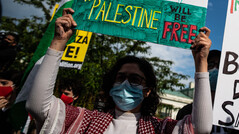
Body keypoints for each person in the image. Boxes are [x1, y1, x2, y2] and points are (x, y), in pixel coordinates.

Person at [26, 8, 213, 133]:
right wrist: (58, 43)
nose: (125, 84)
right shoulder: (84, 120)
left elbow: (201, 128)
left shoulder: (161, 128)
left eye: (135, 80)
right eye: (120, 77)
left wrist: (201, 63)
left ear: (147, 91)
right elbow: (38, 107)